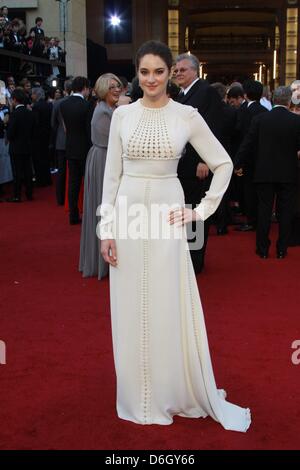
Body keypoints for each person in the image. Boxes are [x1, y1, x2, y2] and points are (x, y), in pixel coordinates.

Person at [99, 40, 251, 432]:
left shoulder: (187, 115)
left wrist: (200, 211)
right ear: (138, 72)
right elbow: (111, 177)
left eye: (159, 71)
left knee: (167, 304)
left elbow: (223, 163)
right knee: (130, 305)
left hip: (168, 214)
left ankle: (169, 387)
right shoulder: (121, 116)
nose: (151, 79)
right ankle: (136, 392)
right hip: (129, 214)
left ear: (171, 73)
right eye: (145, 72)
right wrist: (106, 230)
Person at [235, 86, 300, 258]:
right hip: (289, 173)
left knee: (263, 211)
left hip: (264, 172)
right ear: (289, 101)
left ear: (273, 100)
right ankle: (281, 249)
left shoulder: (260, 119)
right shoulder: (296, 121)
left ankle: (262, 249)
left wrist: (237, 163)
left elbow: (247, 144)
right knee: (285, 212)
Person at [174, 52, 224, 273]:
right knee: (186, 210)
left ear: (195, 70)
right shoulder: (180, 94)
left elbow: (213, 128)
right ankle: (187, 257)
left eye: (182, 69)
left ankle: (196, 262)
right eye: (175, 70)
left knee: (196, 213)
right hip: (182, 166)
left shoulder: (206, 92)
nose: (178, 73)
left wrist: (205, 160)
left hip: (197, 166)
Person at [79, 73, 122, 279]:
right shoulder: (103, 112)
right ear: (103, 89)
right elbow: (117, 142)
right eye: (112, 87)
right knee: (103, 208)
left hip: (108, 158)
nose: (116, 90)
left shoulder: (111, 109)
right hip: (103, 161)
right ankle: (101, 261)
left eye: (118, 86)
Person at [60, 76, 91, 225]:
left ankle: (73, 215)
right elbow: (88, 130)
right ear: (85, 87)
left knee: (73, 183)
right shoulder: (87, 105)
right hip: (85, 149)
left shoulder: (63, 105)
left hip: (70, 147)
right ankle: (89, 212)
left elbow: (66, 128)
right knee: (88, 182)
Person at [6, 88, 34, 202]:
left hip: (16, 148)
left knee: (17, 173)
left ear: (14, 100)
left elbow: (11, 133)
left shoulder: (14, 114)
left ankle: (17, 195)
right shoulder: (29, 113)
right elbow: (33, 130)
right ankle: (29, 194)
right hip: (27, 146)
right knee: (28, 171)